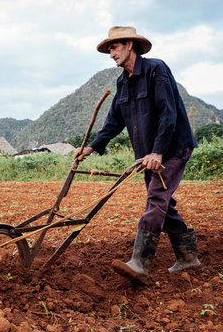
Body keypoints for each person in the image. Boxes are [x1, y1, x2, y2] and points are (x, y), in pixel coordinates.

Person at [76, 26, 200, 284]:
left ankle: (140, 264)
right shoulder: (122, 83)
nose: (111, 54)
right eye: (109, 49)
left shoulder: (156, 69)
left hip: (173, 148)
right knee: (163, 205)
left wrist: (158, 150)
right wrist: (91, 147)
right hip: (149, 156)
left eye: (114, 47)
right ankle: (188, 257)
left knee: (156, 198)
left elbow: (169, 113)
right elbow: (113, 122)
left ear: (129, 44)